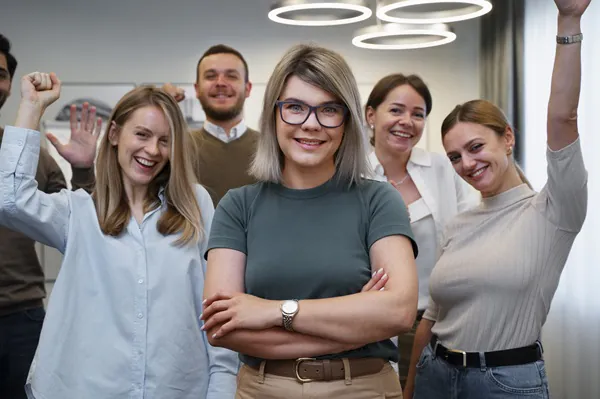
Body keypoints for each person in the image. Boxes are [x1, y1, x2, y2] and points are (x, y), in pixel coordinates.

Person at [0, 72, 239, 398]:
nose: (152, 150)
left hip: (178, 388)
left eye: (165, 140)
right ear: (114, 134)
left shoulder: (194, 205)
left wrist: (221, 389)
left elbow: (216, 307)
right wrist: (30, 105)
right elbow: (11, 200)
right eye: (141, 134)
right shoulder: (79, 212)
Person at [200, 43, 419, 398]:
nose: (311, 124)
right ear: (273, 114)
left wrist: (272, 311)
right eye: (295, 108)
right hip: (263, 389)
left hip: (362, 388)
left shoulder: (379, 200)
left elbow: (398, 311)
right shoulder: (238, 206)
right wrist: (357, 320)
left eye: (329, 110)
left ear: (347, 120)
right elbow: (222, 327)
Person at [404, 0, 589, 397]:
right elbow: (432, 318)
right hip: (434, 372)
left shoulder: (554, 211)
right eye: (454, 156)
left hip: (503, 382)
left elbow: (563, 118)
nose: (466, 164)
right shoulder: (459, 222)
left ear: (507, 138)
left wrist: (568, 20)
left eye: (475, 147)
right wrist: (411, 388)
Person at [365, 73, 478, 386]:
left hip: (439, 320)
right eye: (396, 110)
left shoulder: (442, 168)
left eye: (418, 114)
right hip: (373, 321)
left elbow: (471, 227)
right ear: (371, 115)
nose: (407, 121)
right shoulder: (352, 176)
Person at [0, 35, 94, 399]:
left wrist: (84, 170)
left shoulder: (28, 153)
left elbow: (81, 219)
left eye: (1, 73)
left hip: (21, 315)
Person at [163, 44, 258, 206]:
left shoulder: (272, 147)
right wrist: (161, 103)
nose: (220, 83)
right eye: (211, 76)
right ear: (197, 89)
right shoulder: (176, 146)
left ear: (247, 88)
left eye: (231, 76)